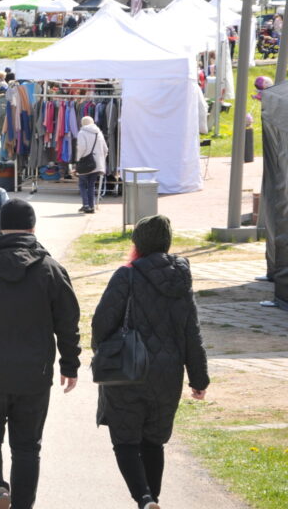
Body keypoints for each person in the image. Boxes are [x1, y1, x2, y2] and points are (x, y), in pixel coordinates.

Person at [0, 199, 81, 509]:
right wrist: (69, 364)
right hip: (34, 376)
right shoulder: (51, 270)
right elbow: (68, 322)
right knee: (26, 447)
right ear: (33, 228)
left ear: (0, 228)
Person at [92, 215, 209, 509]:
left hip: (127, 371)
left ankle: (144, 499)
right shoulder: (181, 280)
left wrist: (102, 351)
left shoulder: (126, 275)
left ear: (137, 244)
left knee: (125, 440)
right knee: (153, 442)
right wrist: (199, 379)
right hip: (167, 377)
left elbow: (101, 323)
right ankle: (152, 499)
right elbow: (191, 333)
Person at [75, 115, 108, 214]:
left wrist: (78, 159)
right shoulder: (99, 133)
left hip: (85, 163)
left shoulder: (82, 133)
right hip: (97, 164)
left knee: (82, 184)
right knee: (91, 185)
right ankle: (91, 206)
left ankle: (86, 205)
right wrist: (101, 160)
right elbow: (105, 149)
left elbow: (81, 148)